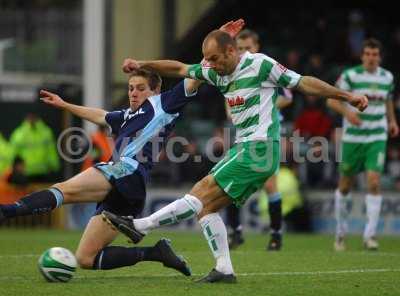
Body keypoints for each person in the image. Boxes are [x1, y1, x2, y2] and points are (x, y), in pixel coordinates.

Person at [102, 27, 368, 283]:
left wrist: (346, 96)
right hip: (246, 148)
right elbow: (180, 68)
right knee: (206, 208)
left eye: (215, 58)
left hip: (260, 147)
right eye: (207, 59)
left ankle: (142, 226)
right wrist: (141, 63)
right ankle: (224, 269)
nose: (211, 65)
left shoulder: (260, 65)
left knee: (201, 189)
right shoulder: (216, 71)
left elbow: (304, 83)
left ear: (231, 52)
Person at [0, 69, 201, 276]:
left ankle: (7, 211)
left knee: (63, 190)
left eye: (140, 89)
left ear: (156, 90)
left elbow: (194, 77)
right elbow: (100, 115)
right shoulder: (127, 116)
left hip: (126, 171)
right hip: (131, 188)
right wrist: (64, 105)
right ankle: (156, 253)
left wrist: (215, 48)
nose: (133, 93)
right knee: (86, 258)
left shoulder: (164, 103)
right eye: (131, 88)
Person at [327, 38, 399, 251]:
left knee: (374, 182)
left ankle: (370, 236)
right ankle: (340, 233)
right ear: (362, 56)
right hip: (353, 139)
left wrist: (392, 121)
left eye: (374, 54)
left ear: (380, 57)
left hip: (377, 136)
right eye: (367, 54)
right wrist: (348, 113)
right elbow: (331, 100)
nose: (371, 58)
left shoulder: (387, 77)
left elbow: (387, 100)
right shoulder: (350, 76)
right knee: (345, 184)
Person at [225, 29, 293, 250]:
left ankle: (276, 234)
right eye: (241, 48)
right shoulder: (232, 74)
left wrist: (263, 105)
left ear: (257, 48)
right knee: (233, 183)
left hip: (267, 134)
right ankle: (236, 231)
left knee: (270, 184)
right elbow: (229, 108)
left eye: (248, 48)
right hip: (243, 135)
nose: (244, 52)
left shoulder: (266, 69)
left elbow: (288, 97)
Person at [10, 113, 60, 182]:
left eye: (33, 116)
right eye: (29, 116)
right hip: (26, 174)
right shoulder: (19, 134)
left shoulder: (46, 132)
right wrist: (14, 168)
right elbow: (13, 153)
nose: (31, 118)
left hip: (44, 172)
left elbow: (51, 151)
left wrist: (54, 166)